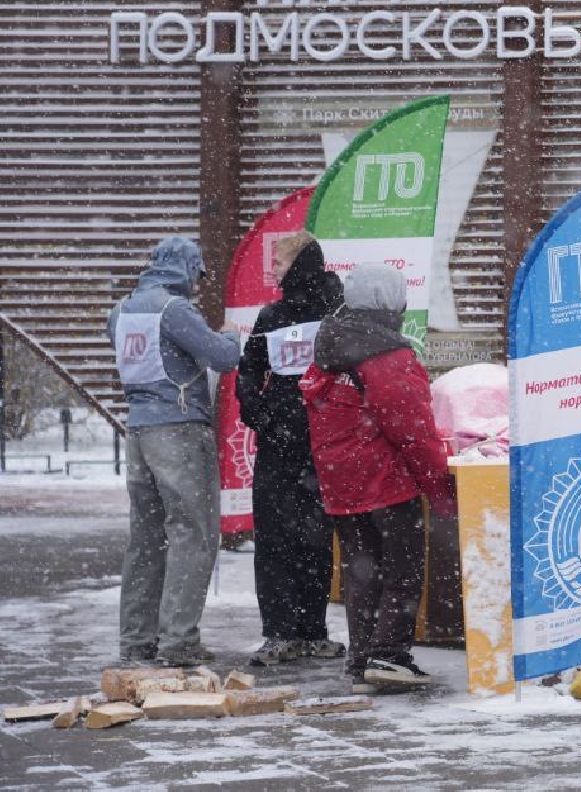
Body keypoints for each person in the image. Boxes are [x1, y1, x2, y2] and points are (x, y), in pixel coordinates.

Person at [300, 263, 456, 693]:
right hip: (383, 479)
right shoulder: (387, 354)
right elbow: (413, 430)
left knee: (361, 570)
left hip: (340, 480)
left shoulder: (331, 344)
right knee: (402, 567)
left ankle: (362, 658)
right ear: (393, 302)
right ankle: (389, 655)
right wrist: (439, 484)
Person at [108, 236, 241, 666]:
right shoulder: (174, 311)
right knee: (193, 533)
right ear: (186, 268)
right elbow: (221, 358)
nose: (199, 284)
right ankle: (179, 641)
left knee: (146, 539)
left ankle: (136, 639)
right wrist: (231, 335)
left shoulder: (121, 310)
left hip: (139, 432)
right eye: (198, 274)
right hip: (180, 431)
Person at [235, 232, 346, 666]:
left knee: (316, 540)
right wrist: (261, 417)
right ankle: (279, 632)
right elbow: (249, 373)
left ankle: (312, 630)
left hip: (322, 445)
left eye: (279, 266)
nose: (274, 274)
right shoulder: (272, 315)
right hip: (278, 447)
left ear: (301, 265)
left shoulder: (335, 312)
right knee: (275, 540)